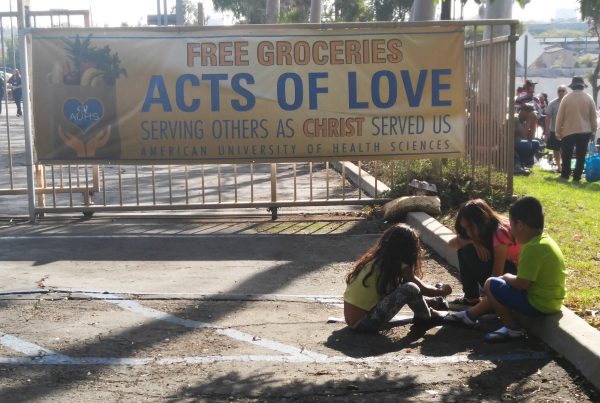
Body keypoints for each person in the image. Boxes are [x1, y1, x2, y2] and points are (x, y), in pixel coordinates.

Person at [446, 197, 566, 343]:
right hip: (551, 303)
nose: (511, 231)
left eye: (513, 225)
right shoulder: (545, 241)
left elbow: (522, 284)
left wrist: (507, 277)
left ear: (520, 224)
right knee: (494, 281)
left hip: (538, 304)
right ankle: (469, 315)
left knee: (491, 284)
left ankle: (511, 328)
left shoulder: (531, 248)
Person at [343, 223, 451, 332]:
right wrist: (442, 291)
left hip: (354, 321)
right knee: (410, 288)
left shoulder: (376, 261)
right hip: (365, 323)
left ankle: (432, 302)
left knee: (403, 288)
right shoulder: (398, 265)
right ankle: (425, 316)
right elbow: (423, 289)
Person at [448, 199, 520, 307]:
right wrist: (473, 242)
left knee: (467, 251)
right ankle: (471, 298)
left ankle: (492, 303)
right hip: (508, 272)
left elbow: (497, 274)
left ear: (482, 220)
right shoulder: (487, 227)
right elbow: (451, 243)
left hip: (515, 276)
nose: (467, 232)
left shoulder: (500, 233)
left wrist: (486, 303)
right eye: (465, 228)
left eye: (469, 227)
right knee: (465, 249)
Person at [555, 76, 597, 182]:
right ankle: (577, 177)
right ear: (583, 86)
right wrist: (594, 130)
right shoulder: (589, 98)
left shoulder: (566, 98)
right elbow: (593, 117)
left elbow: (560, 116)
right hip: (584, 131)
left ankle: (565, 175)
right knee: (581, 155)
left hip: (568, 131)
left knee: (567, 155)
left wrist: (558, 131)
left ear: (572, 86)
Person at [544, 85, 568, 172]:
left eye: (563, 90)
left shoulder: (570, 103)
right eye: (559, 91)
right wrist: (547, 131)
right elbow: (548, 117)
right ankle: (559, 167)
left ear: (566, 92)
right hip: (555, 130)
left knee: (566, 150)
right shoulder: (552, 103)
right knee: (556, 149)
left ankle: (565, 167)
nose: (561, 92)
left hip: (567, 131)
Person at [514, 103, 540, 174]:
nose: (530, 115)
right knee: (527, 144)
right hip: (510, 144)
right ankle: (517, 165)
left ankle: (523, 164)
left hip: (519, 143)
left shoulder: (524, 121)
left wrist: (534, 122)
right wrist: (529, 120)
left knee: (535, 143)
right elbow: (523, 135)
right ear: (523, 111)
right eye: (529, 113)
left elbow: (531, 137)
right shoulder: (515, 119)